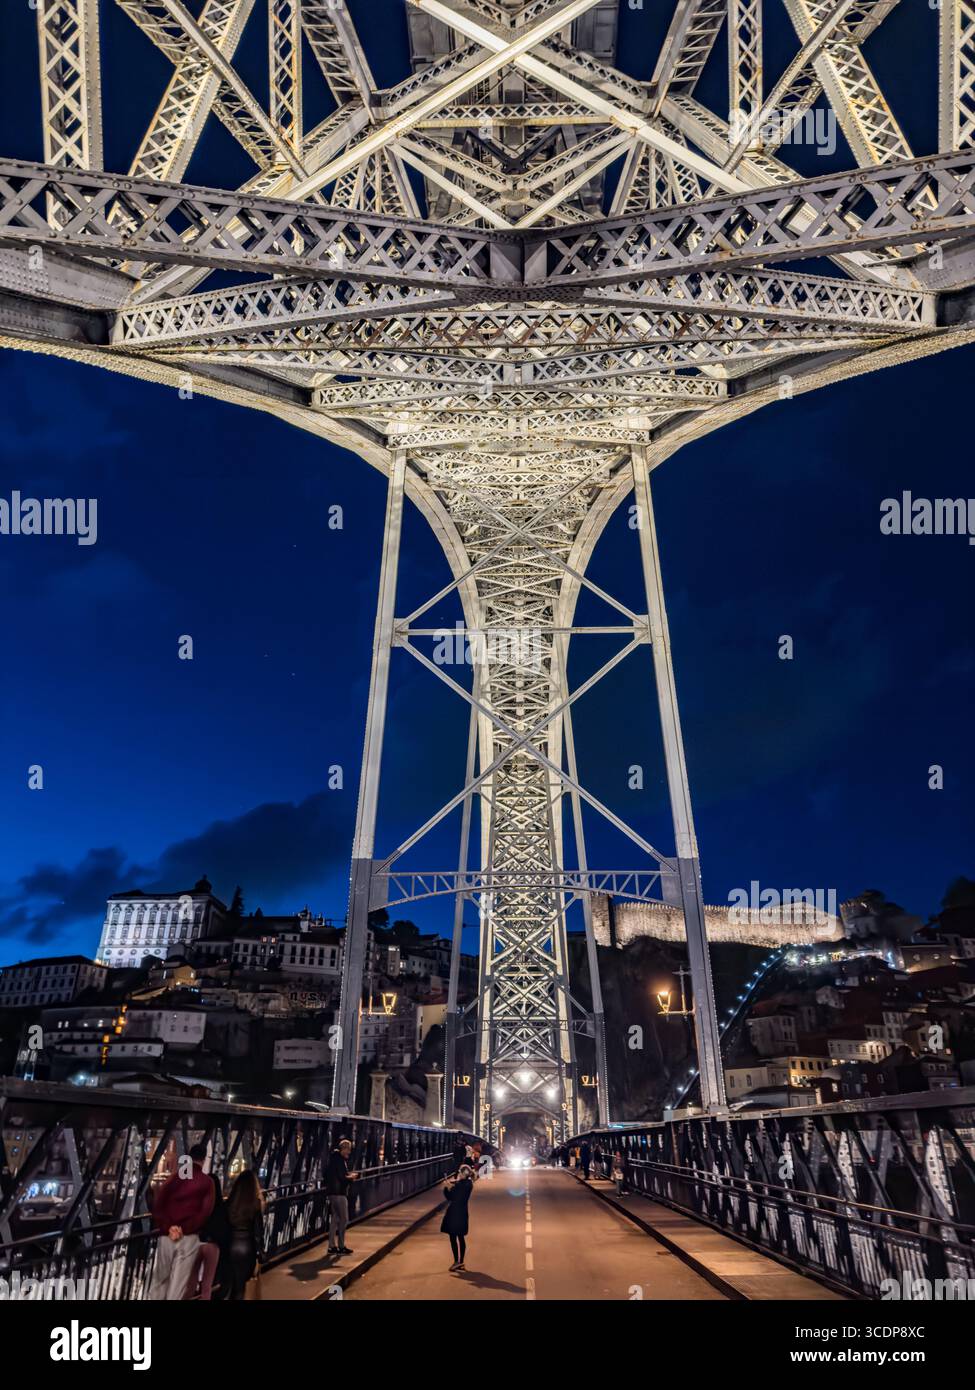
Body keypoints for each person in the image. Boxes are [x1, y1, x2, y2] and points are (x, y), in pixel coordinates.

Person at [148, 1142, 215, 1300]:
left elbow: (158, 1204)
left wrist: (168, 1227)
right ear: (204, 1160)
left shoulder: (173, 1179)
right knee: (178, 1283)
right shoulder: (207, 1182)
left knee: (159, 1279)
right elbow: (204, 1212)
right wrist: (183, 1229)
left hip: (166, 1235)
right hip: (188, 1237)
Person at [224, 1169, 265, 1300]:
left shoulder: (230, 1203)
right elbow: (258, 1231)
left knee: (233, 1285)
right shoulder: (255, 1204)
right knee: (242, 1286)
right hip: (247, 1246)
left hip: (231, 1245)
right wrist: (260, 1251)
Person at [326, 1138, 358, 1256]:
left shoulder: (333, 1159)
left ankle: (331, 1246)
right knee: (344, 1220)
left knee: (335, 1219)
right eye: (348, 1150)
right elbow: (342, 1177)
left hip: (332, 1193)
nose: (349, 1152)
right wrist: (352, 1177)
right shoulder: (340, 1161)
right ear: (343, 1149)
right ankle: (341, 1246)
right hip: (339, 1193)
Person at [441, 1162, 474, 1271]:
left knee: (453, 1238)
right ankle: (461, 1261)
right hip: (463, 1213)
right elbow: (461, 1187)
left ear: (463, 1173)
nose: (459, 1173)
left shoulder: (459, 1185)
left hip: (454, 1213)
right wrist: (455, 1184)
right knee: (461, 1237)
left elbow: (450, 1197)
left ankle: (456, 1261)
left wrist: (446, 1188)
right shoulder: (469, 1184)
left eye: (460, 1172)